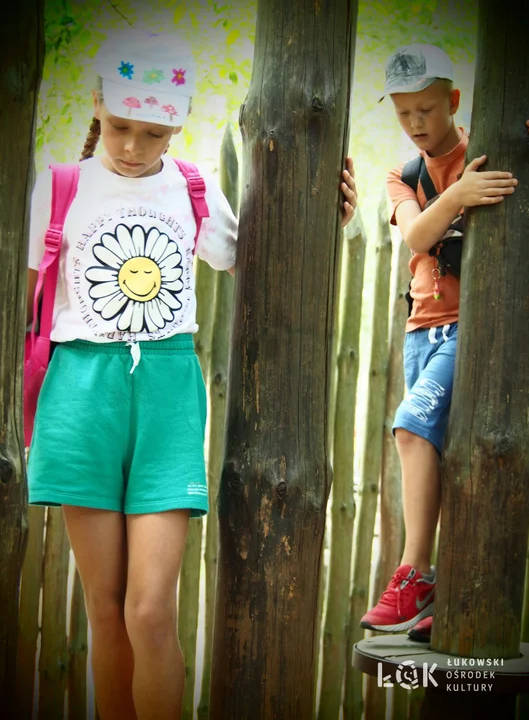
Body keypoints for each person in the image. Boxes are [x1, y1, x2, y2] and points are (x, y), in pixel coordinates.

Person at [26, 29, 358, 719]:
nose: (131, 147)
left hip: (170, 391)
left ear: (175, 127)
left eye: (153, 133)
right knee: (106, 607)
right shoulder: (59, 187)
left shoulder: (192, 190)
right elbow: (25, 290)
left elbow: (264, 256)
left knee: (150, 611)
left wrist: (329, 209)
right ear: (98, 106)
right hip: (81, 389)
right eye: (120, 128)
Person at [360, 43, 529, 642]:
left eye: (428, 110)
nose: (416, 124)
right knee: (449, 460)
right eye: (405, 113)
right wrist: (457, 196)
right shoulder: (404, 174)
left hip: (476, 327)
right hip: (421, 334)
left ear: (453, 101)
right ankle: (452, 592)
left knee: (410, 426)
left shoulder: (489, 149)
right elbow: (415, 236)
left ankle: (413, 571)